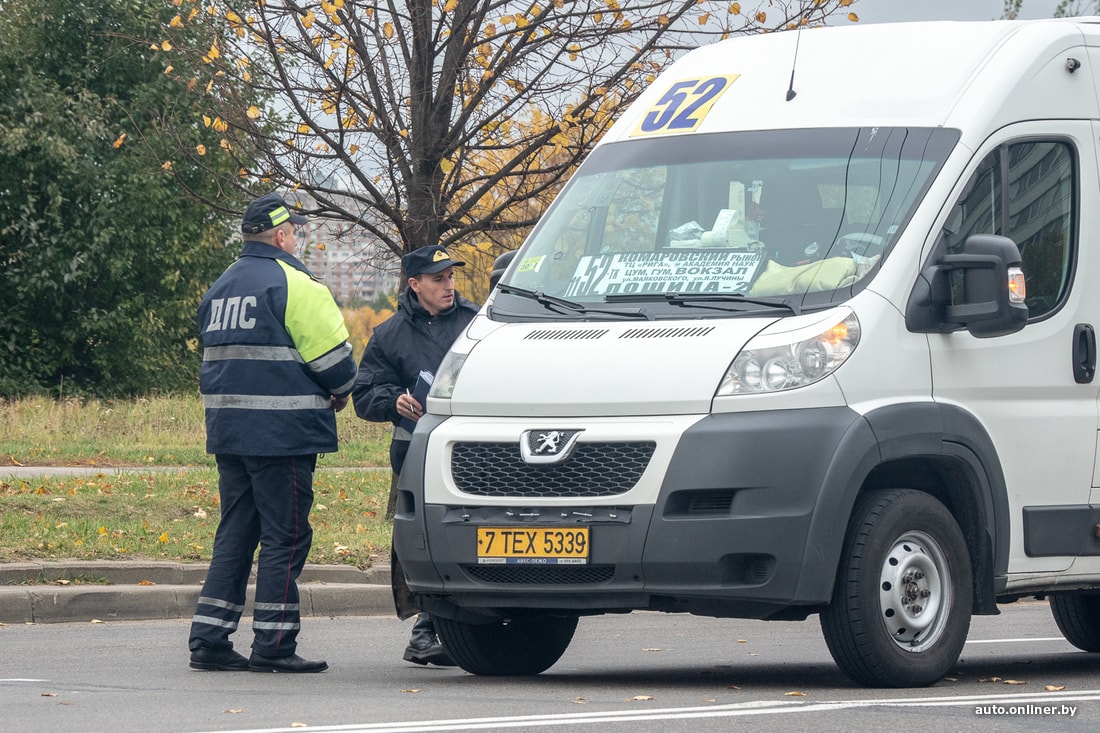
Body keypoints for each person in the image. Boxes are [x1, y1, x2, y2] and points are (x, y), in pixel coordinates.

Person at [188, 192, 358, 674]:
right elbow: (337, 368)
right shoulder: (297, 284)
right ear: (282, 236)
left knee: (236, 533)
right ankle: (275, 643)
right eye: (296, 232)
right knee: (286, 537)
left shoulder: (219, 289)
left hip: (229, 433)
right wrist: (342, 391)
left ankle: (209, 638)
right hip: (282, 435)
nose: (298, 240)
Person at [353, 244, 479, 666]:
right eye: (438, 278)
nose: (449, 285)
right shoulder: (389, 335)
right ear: (414, 284)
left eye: (451, 277)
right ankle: (426, 628)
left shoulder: (477, 323)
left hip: (477, 448)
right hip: (415, 449)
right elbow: (364, 394)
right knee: (424, 533)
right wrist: (394, 402)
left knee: (469, 529)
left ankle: (470, 621)